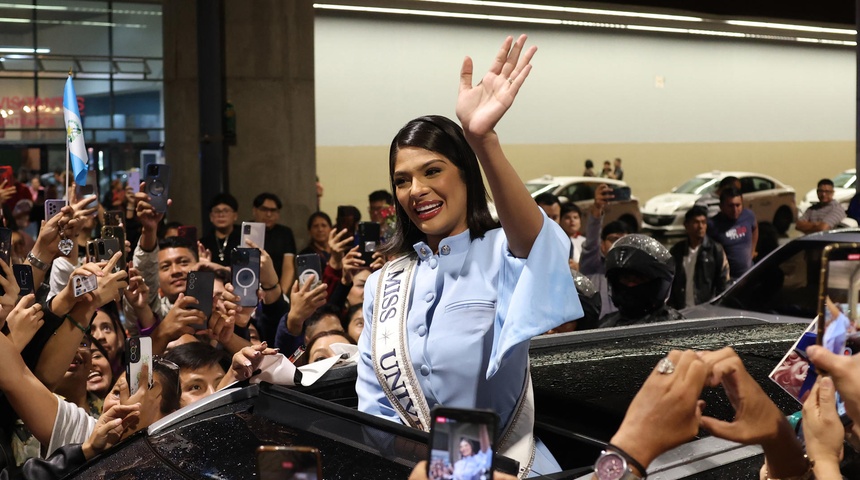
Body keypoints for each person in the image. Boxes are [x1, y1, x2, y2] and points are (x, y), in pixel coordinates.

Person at [356, 35, 581, 477]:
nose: (417, 190)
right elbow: (374, 409)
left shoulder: (502, 252)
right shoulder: (383, 284)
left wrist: (483, 140)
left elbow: (543, 248)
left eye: (432, 171)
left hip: (509, 469)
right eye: (403, 180)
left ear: (465, 174)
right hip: (418, 472)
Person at [599, 235, 682, 328]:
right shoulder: (605, 325)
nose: (630, 285)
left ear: (658, 284)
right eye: (625, 279)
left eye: (639, 279)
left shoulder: (674, 326)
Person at [668, 206, 729, 310]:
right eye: (696, 222)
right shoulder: (677, 251)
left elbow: (723, 283)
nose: (701, 226)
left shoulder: (715, 250)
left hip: (705, 311)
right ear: (686, 225)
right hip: (681, 310)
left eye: (704, 222)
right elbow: (670, 281)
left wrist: (716, 308)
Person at [708, 188, 758, 280]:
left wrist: (753, 249)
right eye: (730, 206)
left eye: (738, 205)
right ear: (721, 206)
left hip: (749, 275)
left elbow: (754, 228)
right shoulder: (713, 225)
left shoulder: (748, 216)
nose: (735, 210)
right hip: (728, 280)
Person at [251, 192, 297, 290]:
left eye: (273, 210)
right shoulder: (247, 231)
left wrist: (282, 294)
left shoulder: (285, 233)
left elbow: (288, 267)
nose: (269, 214)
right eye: (264, 209)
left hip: (275, 286)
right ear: (255, 210)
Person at [199, 193, 241, 267]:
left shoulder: (243, 241)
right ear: (211, 217)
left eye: (226, 211)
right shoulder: (203, 244)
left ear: (235, 216)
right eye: (217, 211)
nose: (221, 215)